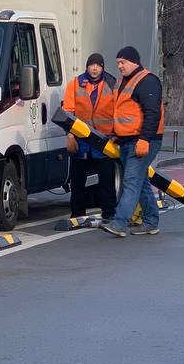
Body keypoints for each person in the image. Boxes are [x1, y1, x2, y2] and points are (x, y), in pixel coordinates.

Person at [101, 46, 164, 237]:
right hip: (128, 140)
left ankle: (119, 223)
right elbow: (124, 112)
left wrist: (145, 139)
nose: (119, 66)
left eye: (123, 62)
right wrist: (116, 134)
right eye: (118, 63)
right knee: (141, 182)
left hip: (144, 140)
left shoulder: (147, 81)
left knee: (130, 181)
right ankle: (151, 222)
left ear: (134, 62)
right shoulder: (123, 82)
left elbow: (152, 113)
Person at [62, 52, 118, 224]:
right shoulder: (75, 84)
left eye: (98, 65)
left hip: (104, 140)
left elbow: (119, 111)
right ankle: (77, 214)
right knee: (78, 180)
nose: (94, 68)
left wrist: (116, 134)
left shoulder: (112, 83)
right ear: (87, 67)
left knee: (106, 180)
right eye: (91, 65)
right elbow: (68, 112)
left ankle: (109, 214)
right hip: (81, 139)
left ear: (103, 67)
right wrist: (70, 134)